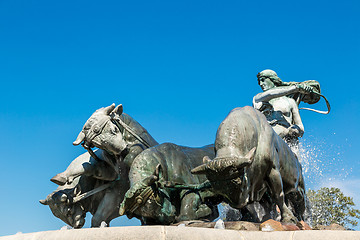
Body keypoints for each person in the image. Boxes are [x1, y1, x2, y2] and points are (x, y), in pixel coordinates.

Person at [253, 69, 313, 156]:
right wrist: (296, 88)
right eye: (259, 82)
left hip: (287, 138)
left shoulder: (290, 102)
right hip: (265, 135)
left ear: (273, 80)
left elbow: (301, 127)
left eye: (263, 80)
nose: (261, 84)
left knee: (296, 161)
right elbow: (271, 94)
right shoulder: (258, 98)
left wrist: (296, 129)